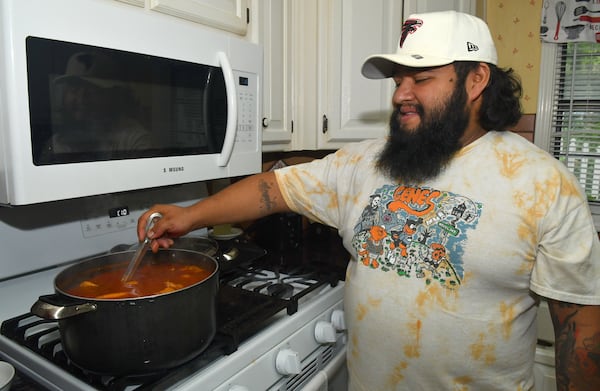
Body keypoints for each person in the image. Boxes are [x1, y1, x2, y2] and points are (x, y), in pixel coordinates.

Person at [138, 11, 600, 391]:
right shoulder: (364, 162)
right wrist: (189, 216)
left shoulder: (543, 185)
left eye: (420, 78)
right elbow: (273, 189)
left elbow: (579, 328)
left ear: (476, 80)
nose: (400, 94)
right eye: (399, 79)